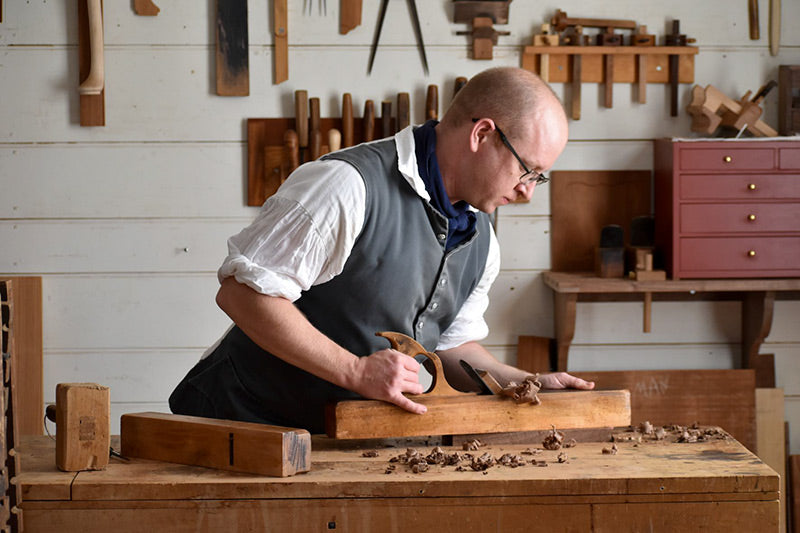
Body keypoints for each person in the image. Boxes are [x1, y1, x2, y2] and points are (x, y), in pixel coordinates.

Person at [169, 67, 594, 433]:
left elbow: (452, 347)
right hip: (242, 426)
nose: (527, 192)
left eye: (539, 177)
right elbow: (242, 294)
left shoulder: (481, 238)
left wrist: (529, 382)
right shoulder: (346, 185)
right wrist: (355, 371)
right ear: (482, 134)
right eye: (528, 170)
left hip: (346, 444)